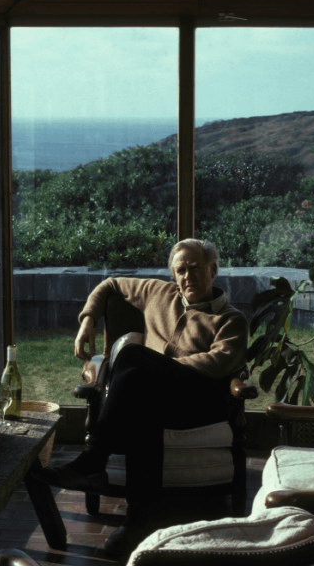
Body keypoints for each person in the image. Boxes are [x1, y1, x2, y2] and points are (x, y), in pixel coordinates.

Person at [33, 238, 248, 557]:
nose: (187, 277)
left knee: (133, 354)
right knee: (141, 403)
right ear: (174, 275)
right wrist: (88, 320)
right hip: (155, 398)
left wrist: (159, 367)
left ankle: (94, 460)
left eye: (195, 268)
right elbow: (109, 285)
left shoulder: (232, 319)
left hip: (200, 401)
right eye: (181, 270)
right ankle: (136, 523)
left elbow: (220, 362)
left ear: (213, 270)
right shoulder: (159, 293)